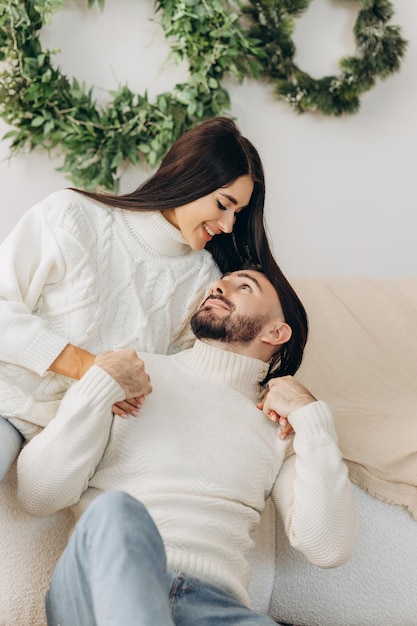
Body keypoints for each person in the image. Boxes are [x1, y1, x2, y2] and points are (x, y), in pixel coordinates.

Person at [17, 268, 357, 626]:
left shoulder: (282, 426)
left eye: (244, 286)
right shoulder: (131, 373)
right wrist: (98, 385)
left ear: (276, 331)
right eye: (220, 282)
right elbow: (38, 495)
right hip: (103, 585)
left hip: (214, 608)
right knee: (116, 511)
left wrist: (311, 418)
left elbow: (329, 548)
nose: (218, 286)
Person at [0, 116, 287, 478]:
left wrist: (276, 392)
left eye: (237, 213)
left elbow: (206, 380)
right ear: (190, 179)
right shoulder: (72, 215)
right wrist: (90, 369)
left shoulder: (205, 282)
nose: (229, 225)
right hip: (8, 407)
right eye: (222, 204)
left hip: (84, 448)